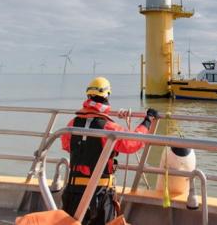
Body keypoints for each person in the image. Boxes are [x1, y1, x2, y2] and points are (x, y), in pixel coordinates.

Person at [60, 76, 158, 225]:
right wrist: (147, 121)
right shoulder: (108, 128)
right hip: (99, 194)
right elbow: (132, 143)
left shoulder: (72, 124)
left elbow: (67, 146)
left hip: (73, 192)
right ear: (107, 96)